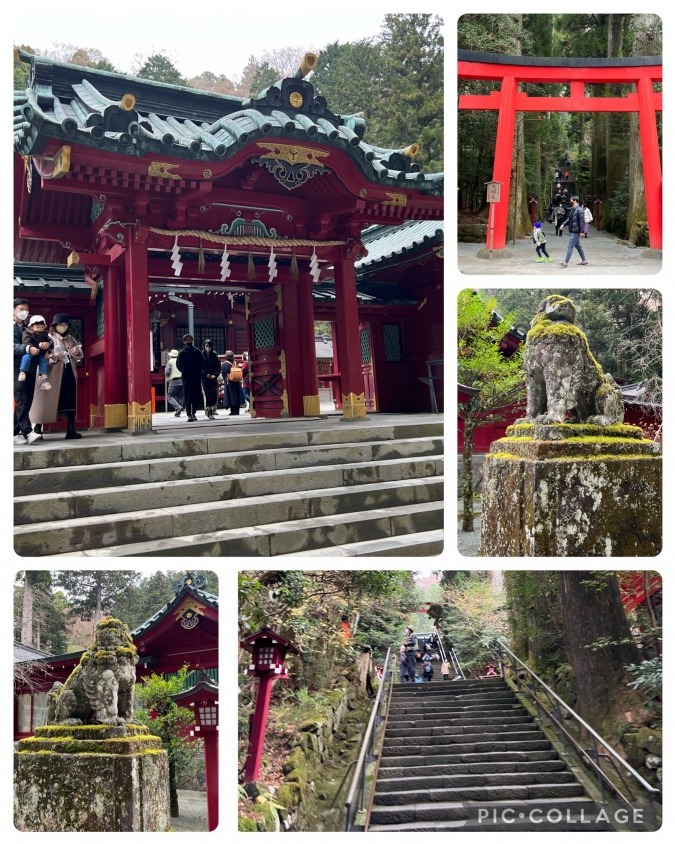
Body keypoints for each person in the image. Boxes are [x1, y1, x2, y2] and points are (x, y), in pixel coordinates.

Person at [30, 313, 85, 440]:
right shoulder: (47, 337)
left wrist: (76, 352)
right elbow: (41, 356)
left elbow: (79, 352)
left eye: (65, 325)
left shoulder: (70, 338)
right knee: (44, 400)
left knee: (70, 400)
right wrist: (54, 356)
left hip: (68, 373)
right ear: (54, 326)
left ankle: (70, 429)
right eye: (60, 325)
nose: (63, 327)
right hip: (50, 375)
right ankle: (37, 428)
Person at [14, 298, 41, 444]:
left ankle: (13, 431)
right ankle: (28, 432)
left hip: (30, 368)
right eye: (21, 309)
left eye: (26, 309)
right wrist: (27, 348)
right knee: (22, 398)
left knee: (27, 399)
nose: (25, 312)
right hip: (15, 367)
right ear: (13, 311)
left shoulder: (29, 328)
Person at [20, 315, 54, 391]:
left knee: (43, 362)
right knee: (26, 357)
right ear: (31, 327)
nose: (39, 329)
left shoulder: (45, 334)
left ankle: (45, 381)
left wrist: (48, 344)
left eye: (41, 327)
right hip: (30, 352)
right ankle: (22, 371)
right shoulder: (27, 333)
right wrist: (34, 347)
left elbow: (51, 342)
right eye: (37, 327)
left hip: (40, 353)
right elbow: (26, 342)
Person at [176, 334, 204, 422]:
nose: (188, 341)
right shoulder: (182, 353)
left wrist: (199, 371)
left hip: (196, 376)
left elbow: (202, 362)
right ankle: (188, 414)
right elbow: (178, 364)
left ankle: (194, 413)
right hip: (186, 377)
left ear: (192, 340)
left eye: (190, 340)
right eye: (186, 340)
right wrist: (183, 371)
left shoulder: (197, 351)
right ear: (184, 342)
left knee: (195, 395)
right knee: (187, 395)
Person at [560, 196, 589, 267]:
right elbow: (569, 219)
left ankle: (566, 262)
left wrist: (582, 232)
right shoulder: (573, 209)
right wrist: (563, 224)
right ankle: (584, 260)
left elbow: (582, 222)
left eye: (571, 199)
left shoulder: (579, 210)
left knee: (570, 246)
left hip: (576, 231)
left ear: (574, 200)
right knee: (578, 246)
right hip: (574, 230)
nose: (570, 200)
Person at [201, 339, 221, 419]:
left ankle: (211, 410)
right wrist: (206, 374)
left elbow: (218, 367)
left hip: (213, 378)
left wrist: (215, 375)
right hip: (205, 378)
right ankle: (209, 411)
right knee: (207, 394)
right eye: (206, 346)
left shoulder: (215, 356)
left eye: (209, 346)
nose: (207, 348)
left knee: (214, 394)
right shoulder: (201, 355)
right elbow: (200, 367)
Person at [221, 350, 244, 416]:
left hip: (230, 382)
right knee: (237, 395)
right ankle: (237, 411)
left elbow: (223, 373)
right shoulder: (235, 363)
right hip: (237, 381)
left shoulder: (225, 364)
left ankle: (233, 411)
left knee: (231, 396)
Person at [164, 349, 184, 416]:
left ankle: (178, 407)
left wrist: (167, 377)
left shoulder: (170, 362)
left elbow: (167, 371)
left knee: (170, 396)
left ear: (171, 356)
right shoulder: (181, 361)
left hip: (174, 381)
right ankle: (178, 412)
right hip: (182, 380)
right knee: (181, 396)